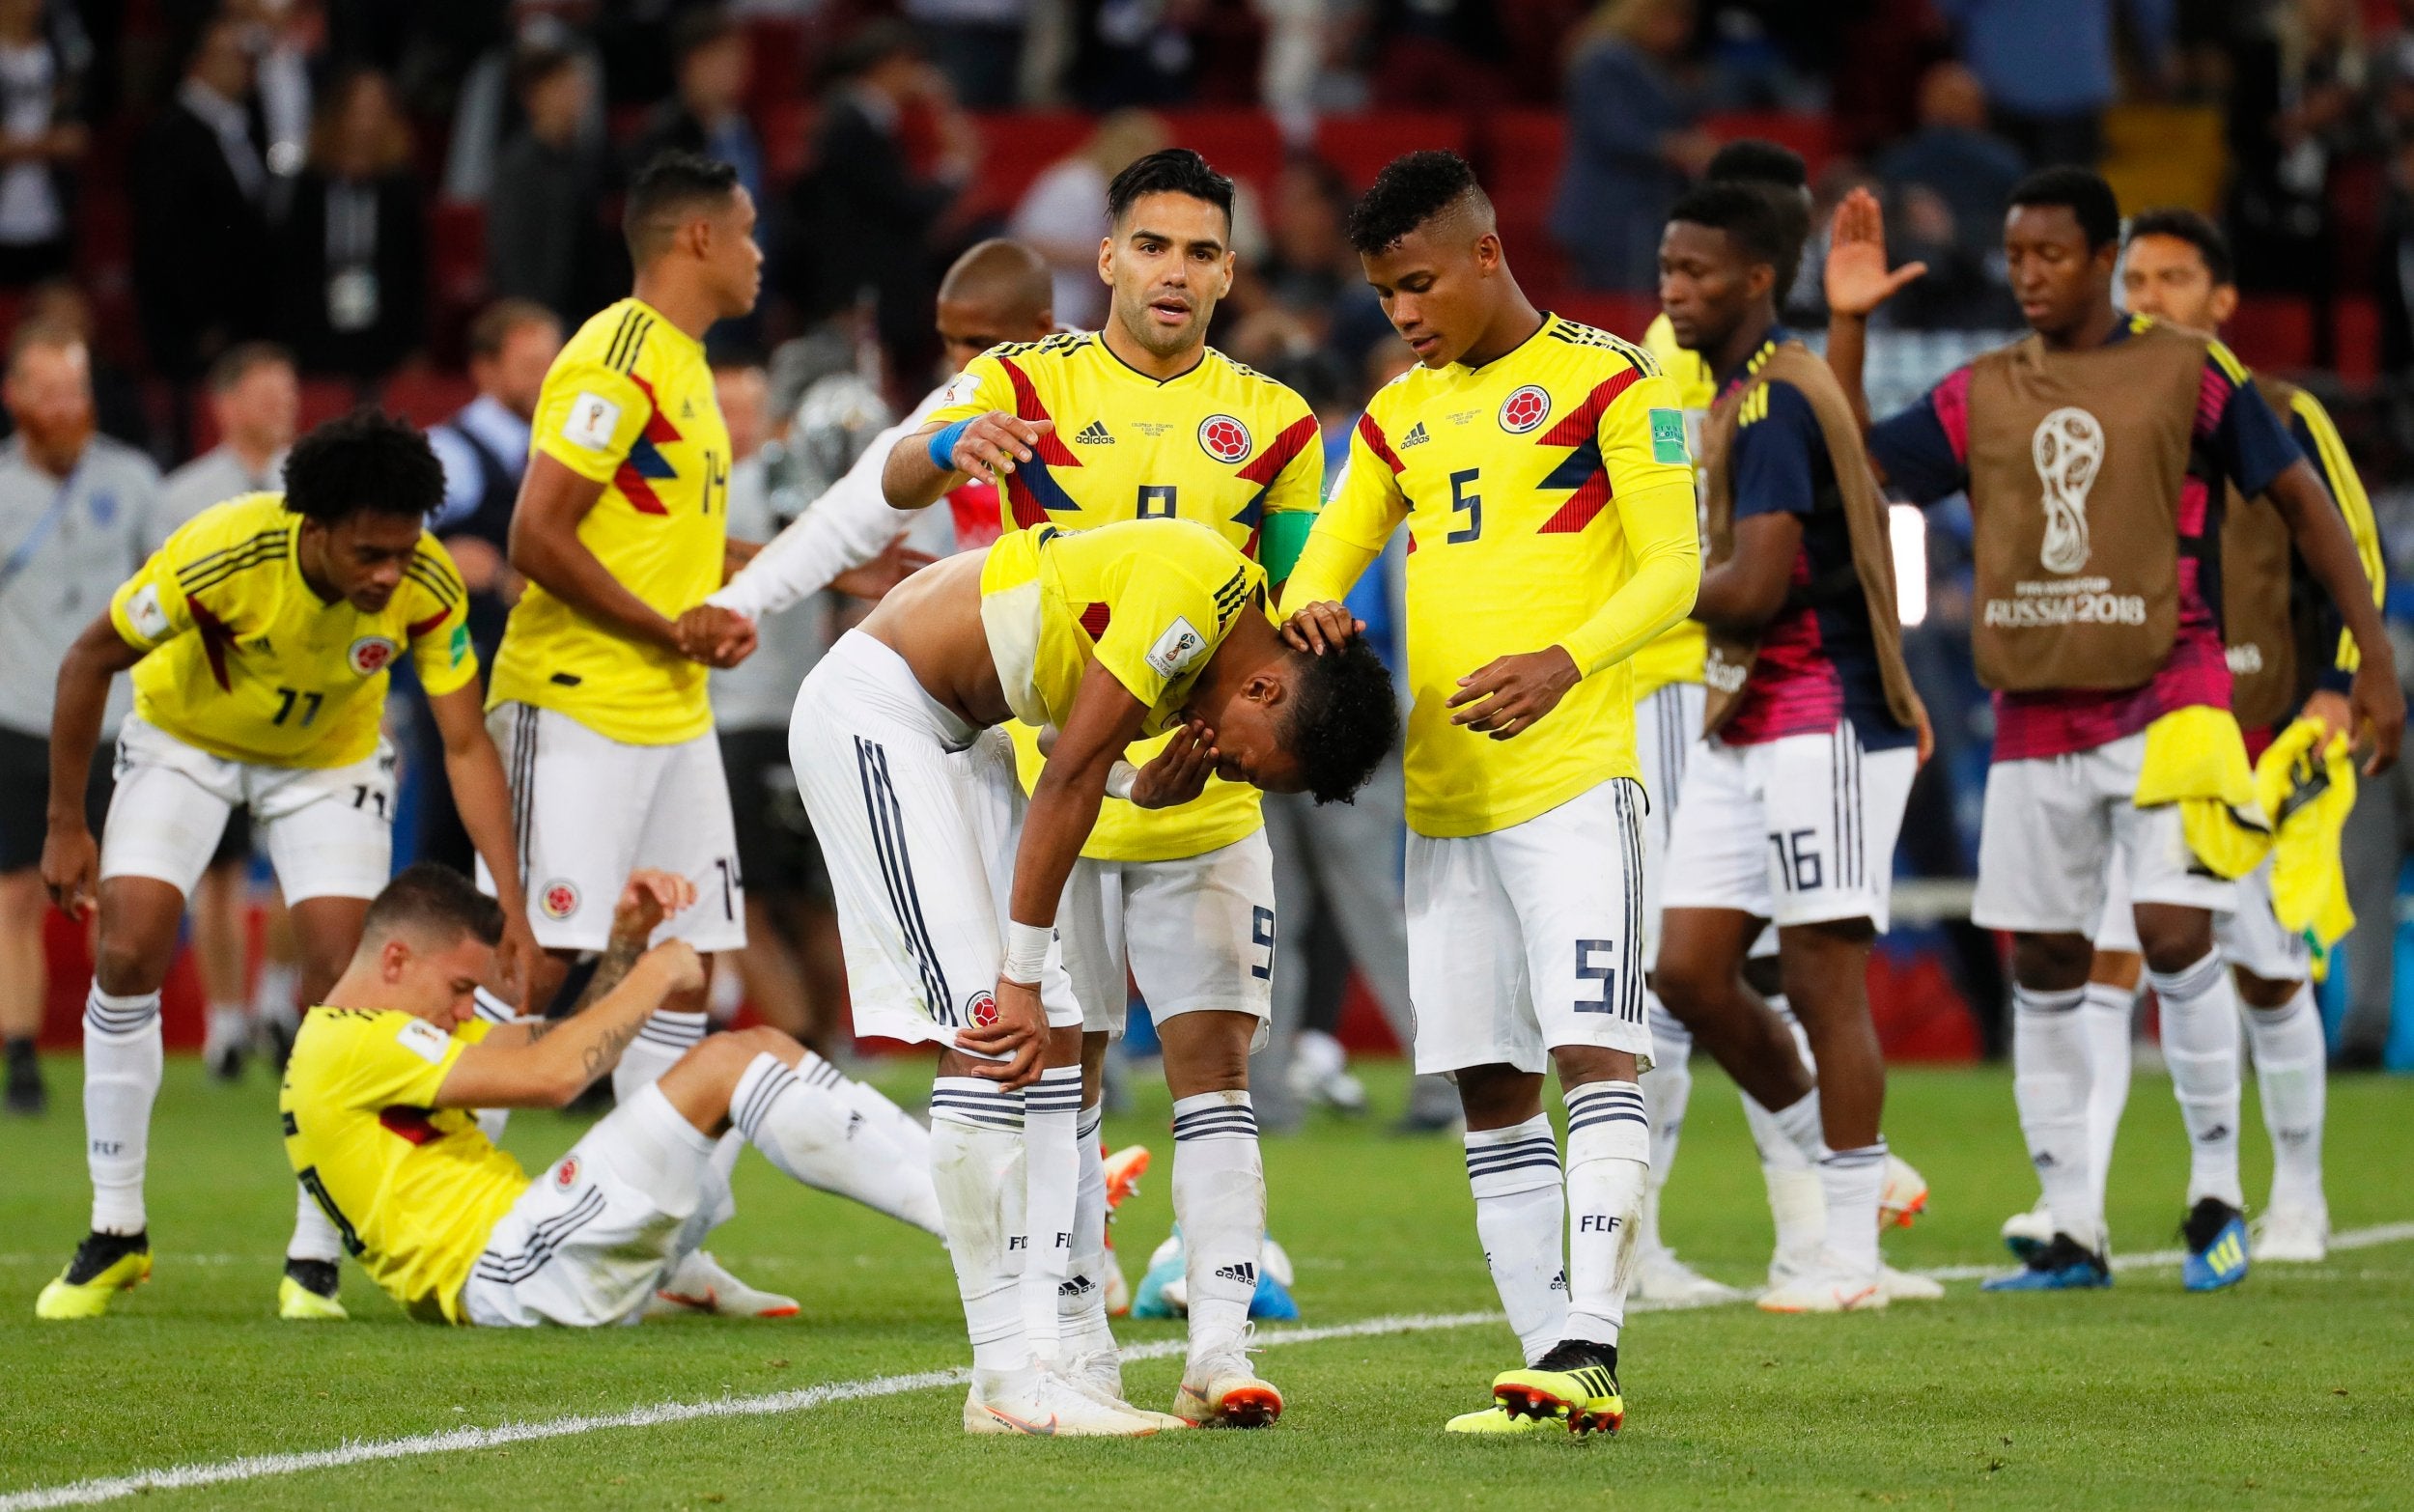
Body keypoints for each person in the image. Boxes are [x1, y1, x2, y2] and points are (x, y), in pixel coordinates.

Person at [1824, 168, 2401, 1293]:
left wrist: (2368, 654)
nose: (2029, 274)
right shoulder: (1983, 389)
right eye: (2015, 256)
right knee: (2048, 962)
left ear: (2097, 260)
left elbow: (2300, 503)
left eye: (2051, 255)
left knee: (2180, 931)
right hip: (2037, 706)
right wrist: (1847, 326)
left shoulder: (2187, 373)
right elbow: (1855, 472)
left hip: (2172, 696)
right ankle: (2073, 1222)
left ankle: (2217, 1197)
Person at [878, 148, 1324, 1427]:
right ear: (1109, 256)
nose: (1176, 273)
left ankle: (1222, 1348)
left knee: (1213, 1064)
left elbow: (1288, 619)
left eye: (1202, 252)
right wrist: (959, 433)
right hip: (1051, 788)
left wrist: (1250, 705)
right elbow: (906, 477)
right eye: (1155, 246)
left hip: (1205, 799)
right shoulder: (1026, 376)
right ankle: (1074, 1340)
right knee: (1059, 1070)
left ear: (1230, 271)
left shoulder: (1278, 424)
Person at [783, 512, 1394, 1435]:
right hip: (882, 714)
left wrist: (1137, 789)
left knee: (1058, 1034)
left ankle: (1046, 1353)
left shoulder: (1220, 638)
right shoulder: (1196, 595)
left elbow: (1078, 746)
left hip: (963, 738)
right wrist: (1020, 970)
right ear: (1266, 688)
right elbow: (1065, 773)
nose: (1229, 769)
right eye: (1253, 762)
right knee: (994, 1021)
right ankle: (1002, 1379)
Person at [1282, 150, 1699, 1435]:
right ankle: (1546, 1361)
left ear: (1483, 251)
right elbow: (1331, 556)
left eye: (1417, 285)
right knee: (1485, 1077)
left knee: (1594, 1053)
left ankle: (1594, 1337)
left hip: (1576, 778)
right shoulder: (1403, 412)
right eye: (1383, 294)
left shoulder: (1612, 382)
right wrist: (1303, 622)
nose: (1402, 314)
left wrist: (1564, 660)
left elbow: (1677, 566)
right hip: (1448, 796)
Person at [32, 410, 539, 1322]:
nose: (390, 574)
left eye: (404, 549)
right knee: (131, 949)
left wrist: (512, 896)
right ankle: (117, 1231)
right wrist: (68, 822)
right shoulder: (223, 551)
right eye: (368, 554)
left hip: (327, 762)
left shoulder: (425, 585)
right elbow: (88, 659)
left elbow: (466, 743)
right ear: (314, 529)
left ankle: (314, 1255)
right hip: (186, 743)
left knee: (345, 977)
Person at [1995, 208, 2384, 1269]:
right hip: (2140, 729)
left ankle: (2294, 1191)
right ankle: (2072, 1207)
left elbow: (2349, 547)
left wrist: (2345, 683)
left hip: (2261, 735)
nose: (2147, 297)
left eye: (2174, 280)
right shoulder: (2103, 413)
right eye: (2137, 279)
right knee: (2118, 962)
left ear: (2221, 303)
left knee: (2264, 972)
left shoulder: (2283, 411)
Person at [482, 150, 788, 1310]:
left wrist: (828, 567)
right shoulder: (614, 354)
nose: (762, 253)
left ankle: (654, 1249)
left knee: (685, 970)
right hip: (573, 700)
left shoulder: (690, 371)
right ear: (698, 240)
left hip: (670, 713)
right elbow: (537, 533)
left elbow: (678, 553)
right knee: (537, 961)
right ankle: (434, 1204)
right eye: (748, 231)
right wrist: (667, 627)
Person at [1650, 182, 1929, 1314]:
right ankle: (1851, 1167)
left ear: (1756, 280)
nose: (1674, 290)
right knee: (1687, 974)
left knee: (1821, 977)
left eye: (1697, 273)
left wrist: (1625, 600)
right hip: (1747, 721)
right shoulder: (1748, 395)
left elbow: (1758, 587)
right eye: (1667, 267)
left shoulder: (1770, 404)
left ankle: (1849, 1257)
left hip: (1829, 717)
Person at [280, 863, 940, 1328]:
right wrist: (654, 973)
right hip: (509, 1269)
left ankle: (956, 1184)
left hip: (531, 1253)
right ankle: (973, 1224)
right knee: (722, 1064)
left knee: (759, 1049)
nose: (462, 1012)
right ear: (395, 962)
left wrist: (624, 946)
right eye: (458, 988)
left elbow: (576, 1044)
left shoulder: (365, 1043)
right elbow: (554, 1079)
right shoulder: (347, 1045)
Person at [0, 325, 159, 1117]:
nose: (70, 409)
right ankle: (21, 1054)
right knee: (14, 895)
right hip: (18, 714)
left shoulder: (132, 481)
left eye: (79, 392)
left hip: (118, 720)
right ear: (18, 401)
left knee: (123, 893)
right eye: (53, 393)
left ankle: (115, 1042)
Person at [154, 341, 303, 1078]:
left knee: (297, 864)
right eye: (267, 392)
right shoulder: (180, 497)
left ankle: (277, 998)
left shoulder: (317, 486)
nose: (284, 404)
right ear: (226, 404)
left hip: (300, 707)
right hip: (212, 709)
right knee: (218, 870)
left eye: (290, 391)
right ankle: (224, 1023)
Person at [709, 357, 844, 1053]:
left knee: (751, 905)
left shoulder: (724, 492)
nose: (732, 423)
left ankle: (801, 1044)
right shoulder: (805, 487)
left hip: (744, 722)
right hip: (791, 717)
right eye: (721, 408)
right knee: (805, 898)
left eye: (742, 409)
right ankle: (826, 1048)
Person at [785, 20, 976, 378]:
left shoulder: (864, 119)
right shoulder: (851, 122)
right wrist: (953, 173)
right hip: (857, 290)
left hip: (868, 287)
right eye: (913, 65)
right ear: (890, 64)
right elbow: (899, 205)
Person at [132, 14, 273, 383]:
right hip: (198, 334)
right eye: (228, 55)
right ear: (195, 63)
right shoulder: (170, 138)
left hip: (242, 323)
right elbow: (166, 241)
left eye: (244, 56)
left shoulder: (244, 125)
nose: (242, 65)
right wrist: (201, 323)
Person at [273, 68, 427, 383]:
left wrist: (414, 345)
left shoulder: (401, 188)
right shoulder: (310, 186)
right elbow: (289, 267)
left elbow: (416, 271)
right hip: (316, 337)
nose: (365, 123)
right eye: (357, 111)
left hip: (385, 336)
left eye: (375, 112)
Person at [1552, 0, 1716, 292]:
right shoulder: (1605, 59)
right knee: (1610, 313)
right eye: (1675, 20)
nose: (1683, 32)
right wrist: (1678, 147)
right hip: (1610, 210)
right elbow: (1613, 132)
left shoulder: (1653, 62)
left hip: (1646, 210)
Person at [485, 41, 615, 329]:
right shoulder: (517, 169)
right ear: (534, 97)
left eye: (575, 85)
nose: (574, 95)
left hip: (588, 317)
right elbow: (512, 259)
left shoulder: (589, 160)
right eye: (561, 86)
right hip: (540, 318)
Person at [1008, 109, 1167, 332]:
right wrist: (1112, 253)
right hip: (1048, 299)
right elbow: (1033, 243)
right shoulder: (1075, 182)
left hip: (1074, 306)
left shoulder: (1106, 189)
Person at [0, 0, 87, 291]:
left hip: (52, 216)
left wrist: (16, 147)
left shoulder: (62, 51)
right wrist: (48, 146)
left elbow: (77, 138)